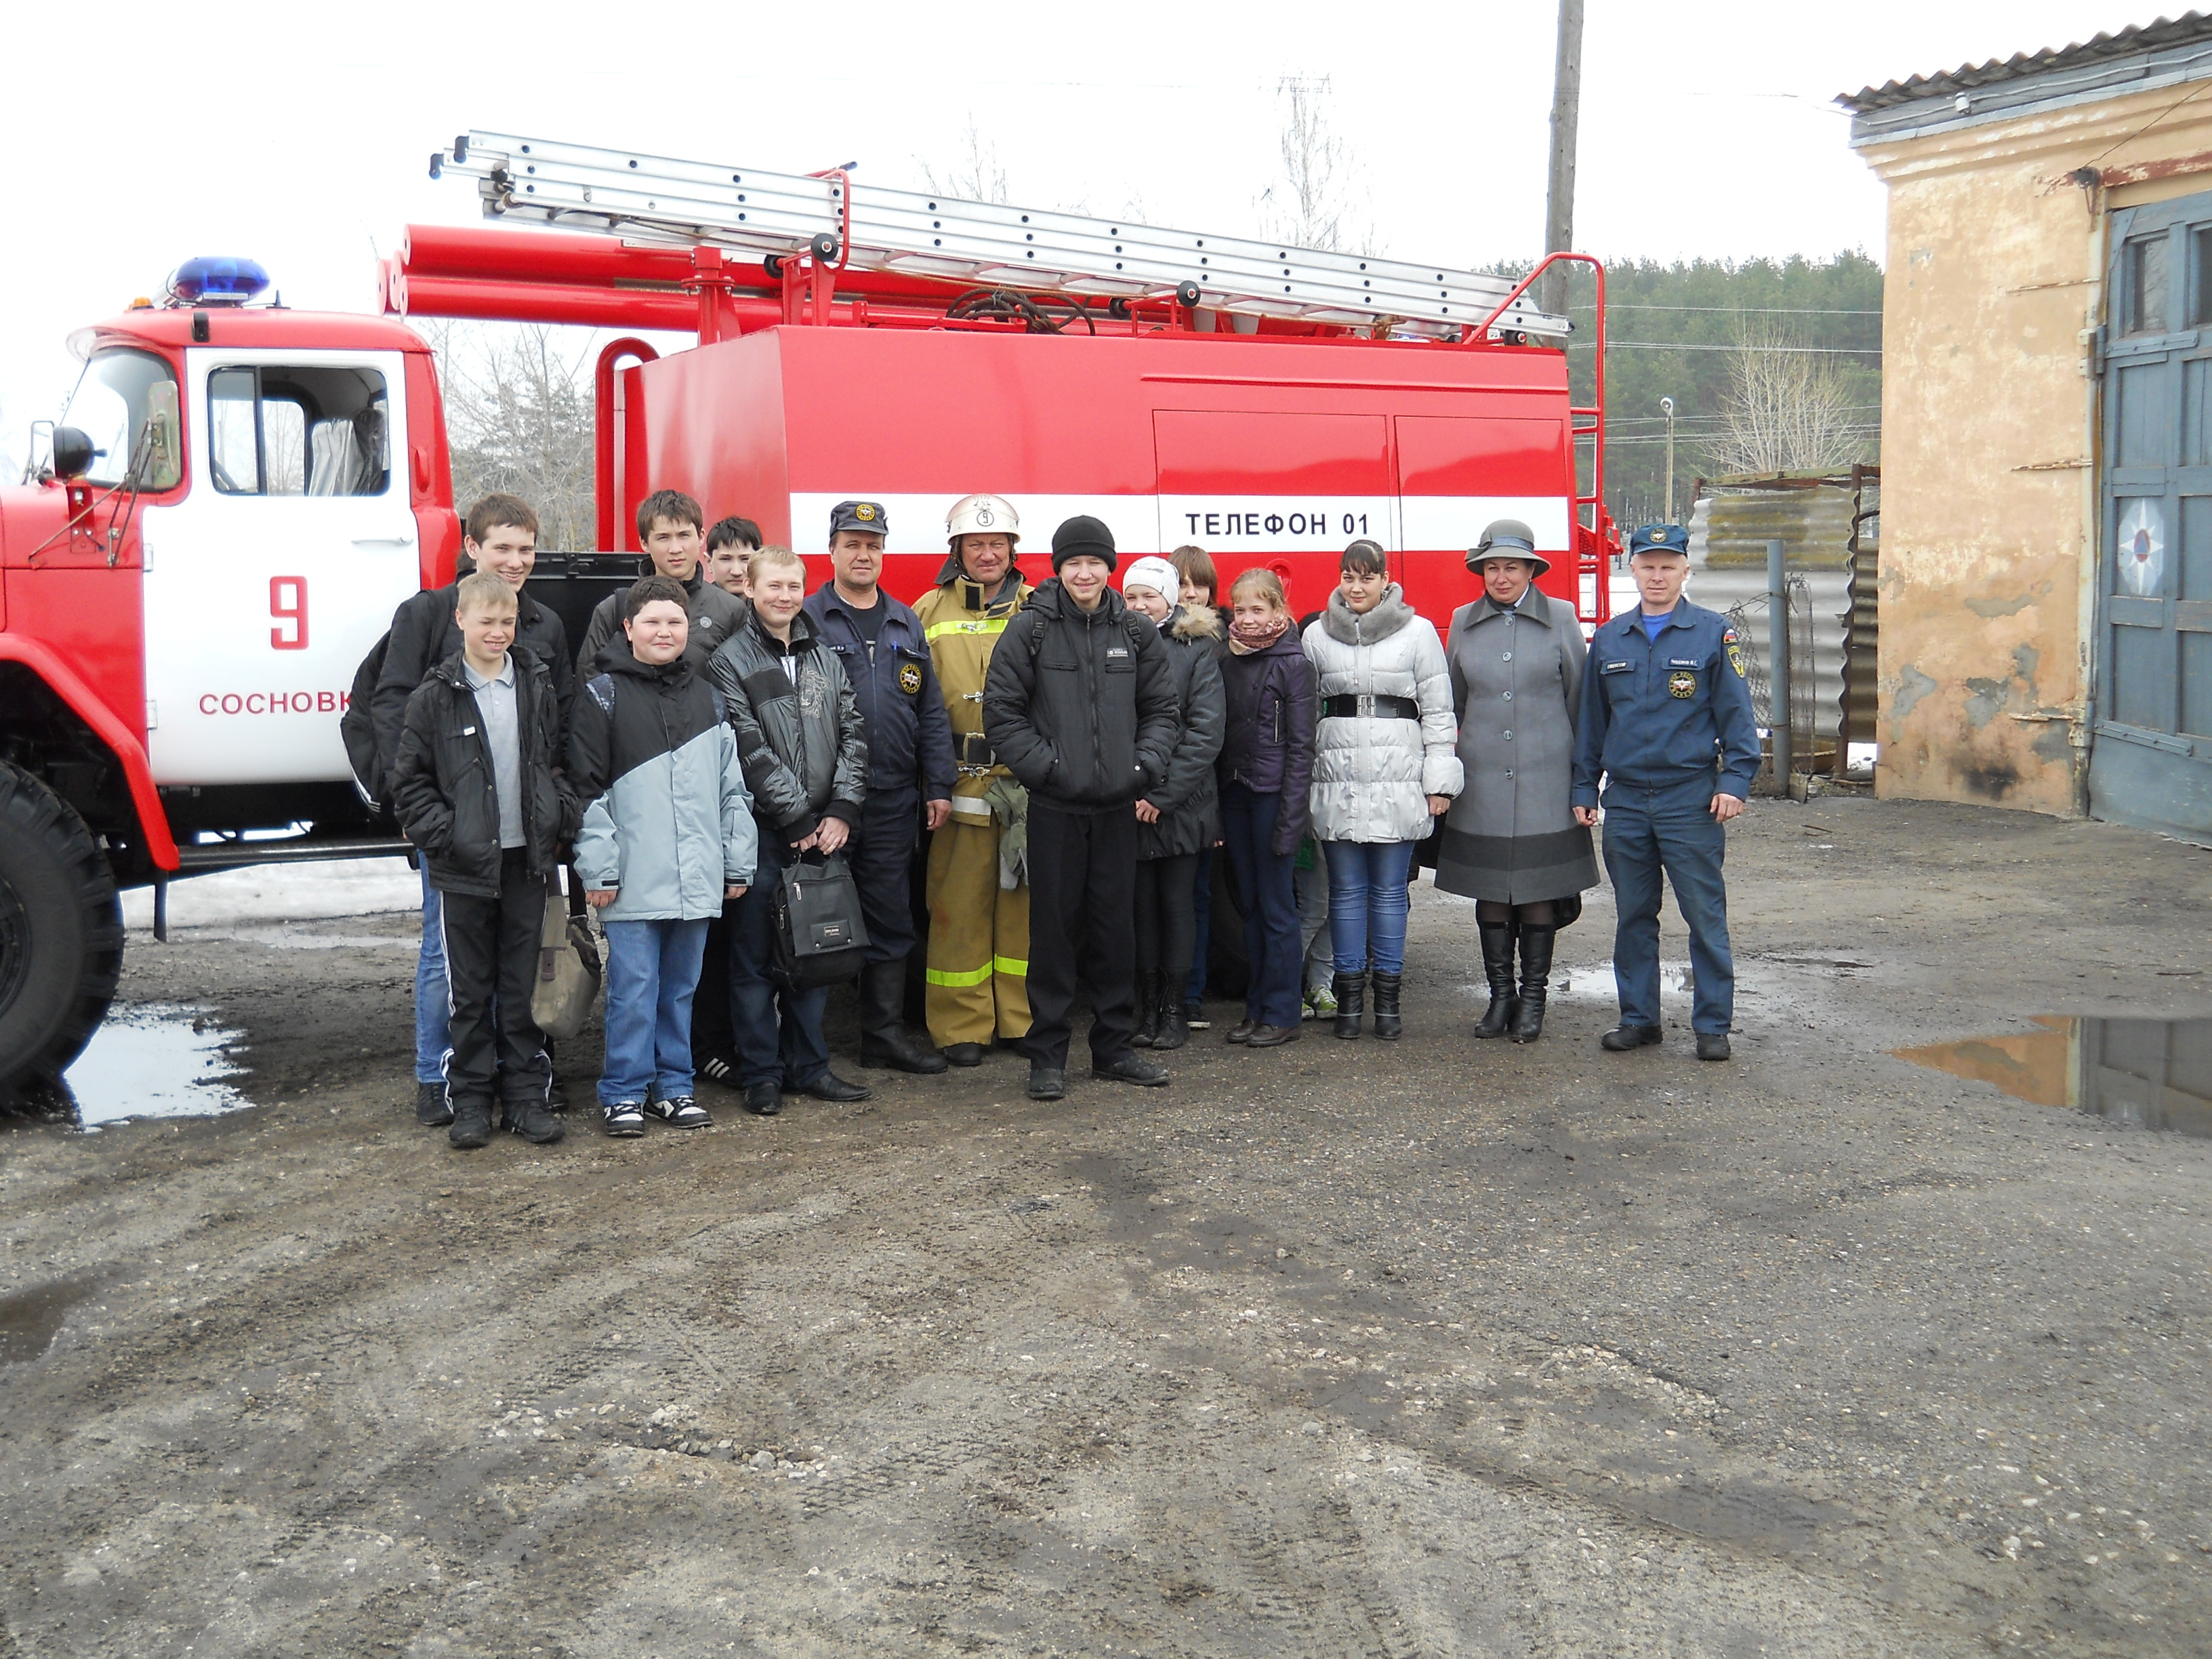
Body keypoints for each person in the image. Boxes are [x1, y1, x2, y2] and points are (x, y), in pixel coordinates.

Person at [371, 494, 575, 1128]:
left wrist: (557, 813)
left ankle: (526, 1094)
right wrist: (430, 825)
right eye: (502, 548)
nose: (515, 562)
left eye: (525, 550)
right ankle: (447, 1084)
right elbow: (394, 716)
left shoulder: (541, 641)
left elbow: (560, 737)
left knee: (523, 974)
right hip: (459, 845)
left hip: (523, 847)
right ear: (471, 550)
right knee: (454, 968)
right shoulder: (427, 622)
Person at [982, 516, 1179, 1101]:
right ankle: (1047, 1058)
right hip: (1053, 809)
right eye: (1074, 563)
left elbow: (1163, 712)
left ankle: (1114, 1050)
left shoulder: (1137, 632)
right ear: (1059, 568)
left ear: (1109, 568)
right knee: (1053, 936)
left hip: (1118, 809)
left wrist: (1140, 769)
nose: (1085, 573)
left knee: (1116, 933)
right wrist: (1049, 770)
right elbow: (1002, 713)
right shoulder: (1030, 631)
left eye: (1095, 563)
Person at [569, 577, 757, 1136]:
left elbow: (732, 791)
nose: (664, 632)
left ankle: (673, 1086)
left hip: (697, 877)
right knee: (634, 988)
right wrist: (599, 869)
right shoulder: (601, 696)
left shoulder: (709, 698)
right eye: (651, 621)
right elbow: (586, 791)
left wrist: (736, 860)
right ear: (628, 629)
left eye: (675, 622)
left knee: (680, 990)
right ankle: (624, 1090)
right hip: (632, 880)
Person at [1571, 523, 1761, 1061]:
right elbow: (1592, 723)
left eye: (1668, 566)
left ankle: (1712, 1026)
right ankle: (1639, 1020)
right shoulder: (1610, 638)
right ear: (1631, 569)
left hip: (1690, 799)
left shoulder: (1711, 633)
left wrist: (1735, 781)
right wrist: (1585, 784)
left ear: (1685, 571)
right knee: (1633, 915)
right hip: (1627, 801)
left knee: (1704, 915)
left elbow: (1737, 718)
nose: (1657, 576)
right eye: (1647, 566)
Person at [707, 546, 874, 1113]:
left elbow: (854, 731)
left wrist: (843, 810)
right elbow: (747, 747)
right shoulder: (729, 660)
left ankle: (810, 1066)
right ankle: (762, 1075)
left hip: (825, 834)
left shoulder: (825, 657)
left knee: (818, 955)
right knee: (754, 962)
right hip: (763, 834)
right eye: (772, 586)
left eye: (793, 587)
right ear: (749, 590)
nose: (784, 597)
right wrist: (796, 816)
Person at [804, 501, 957, 1073]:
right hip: (825, 802)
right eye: (852, 543)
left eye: (872, 544)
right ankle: (807, 1048)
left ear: (882, 552)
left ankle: (882, 1037)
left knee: (891, 917)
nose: (862, 553)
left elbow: (931, 710)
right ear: (833, 550)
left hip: (894, 798)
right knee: (814, 920)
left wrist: (938, 782)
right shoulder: (808, 618)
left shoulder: (904, 621)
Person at [1437, 520, 1600, 1043]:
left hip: (1546, 782)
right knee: (1491, 893)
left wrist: (1584, 781)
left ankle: (1533, 1000)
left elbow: (1581, 703)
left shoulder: (1562, 618)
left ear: (1531, 569)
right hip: (1482, 783)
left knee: (1537, 893)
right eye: (1492, 567)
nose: (1501, 577)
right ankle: (1499, 998)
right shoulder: (1463, 622)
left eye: (1511, 566)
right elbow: (1451, 705)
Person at [1302, 540, 1459, 1040]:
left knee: (1390, 893)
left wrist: (1439, 782)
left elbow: (1438, 712)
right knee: (1345, 895)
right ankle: (1349, 1005)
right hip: (1337, 776)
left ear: (1386, 580)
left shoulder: (1417, 634)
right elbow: (1305, 717)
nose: (1357, 587)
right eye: (1349, 577)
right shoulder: (1315, 637)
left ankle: (1388, 1005)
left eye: (1367, 577)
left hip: (1400, 774)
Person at [914, 494, 1036, 1066]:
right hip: (958, 782)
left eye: (998, 544)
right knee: (956, 908)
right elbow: (911, 706)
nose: (988, 554)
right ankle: (961, 1024)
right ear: (957, 550)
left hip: (1024, 786)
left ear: (1013, 549)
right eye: (975, 544)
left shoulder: (1040, 608)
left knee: (1023, 908)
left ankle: (1019, 1018)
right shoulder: (927, 612)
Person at [1121, 556, 1225, 1052]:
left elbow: (1205, 734)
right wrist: (1133, 790)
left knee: (1177, 905)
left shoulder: (1196, 650)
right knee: (1139, 909)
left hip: (1183, 803)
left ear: (1170, 599)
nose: (1140, 605)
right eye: (1131, 596)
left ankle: (1176, 1010)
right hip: (1130, 801)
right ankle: (1148, 1010)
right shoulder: (1115, 643)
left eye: (1149, 596)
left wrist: (1160, 796)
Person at [1214, 567, 1317, 1049]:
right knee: (1250, 906)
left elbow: (1301, 748)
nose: (1250, 619)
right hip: (1235, 793)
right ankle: (1256, 1009)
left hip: (1273, 796)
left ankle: (1283, 1010)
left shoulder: (1293, 663)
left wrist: (1291, 820)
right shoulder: (1227, 657)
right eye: (1242, 609)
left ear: (1279, 610)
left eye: (1260, 608)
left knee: (1278, 908)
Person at [689, 509, 763, 1086]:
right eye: (727, 558)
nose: (738, 568)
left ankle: (754, 1039)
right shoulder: (698, 621)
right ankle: (709, 1043)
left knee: (755, 933)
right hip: (711, 793)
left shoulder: (774, 622)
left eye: (748, 557)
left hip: (762, 799)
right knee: (711, 933)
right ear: (707, 562)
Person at [575, 489, 748, 678]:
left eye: (684, 535)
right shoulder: (616, 608)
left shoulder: (731, 610)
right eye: (663, 538)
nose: (675, 549)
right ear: (644, 543)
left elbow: (742, 683)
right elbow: (589, 679)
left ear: (700, 537)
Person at [1169, 545, 1224, 1031]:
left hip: (1204, 795)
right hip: (1162, 792)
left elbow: (1216, 735)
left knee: (1197, 897)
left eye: (1199, 584)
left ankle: (1191, 994)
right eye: (1181, 583)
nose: (1190, 593)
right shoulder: (1152, 638)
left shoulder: (1220, 644)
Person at [704, 515, 761, 598]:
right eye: (725, 559)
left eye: (745, 559)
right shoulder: (690, 608)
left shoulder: (772, 607)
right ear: (709, 562)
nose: (736, 572)